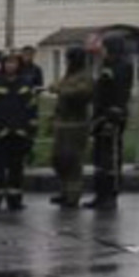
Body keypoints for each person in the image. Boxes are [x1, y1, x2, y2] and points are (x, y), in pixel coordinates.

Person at [0, 52, 36, 212]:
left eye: (13, 62)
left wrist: (30, 132)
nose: (10, 65)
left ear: (19, 65)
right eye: (7, 62)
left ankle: (15, 201)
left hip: (19, 135)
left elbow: (32, 110)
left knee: (16, 170)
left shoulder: (26, 85)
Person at [87, 37, 132, 210]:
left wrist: (113, 117)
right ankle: (100, 194)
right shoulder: (106, 65)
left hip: (112, 117)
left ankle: (110, 195)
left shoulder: (122, 67)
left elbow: (119, 93)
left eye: (104, 48)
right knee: (99, 159)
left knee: (111, 159)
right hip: (100, 116)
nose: (101, 51)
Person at [48, 48, 93, 208]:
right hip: (62, 123)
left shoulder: (85, 76)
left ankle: (72, 196)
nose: (67, 62)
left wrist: (60, 89)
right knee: (58, 160)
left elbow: (83, 93)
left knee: (73, 161)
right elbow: (59, 86)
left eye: (69, 59)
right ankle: (64, 190)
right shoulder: (69, 75)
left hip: (76, 125)